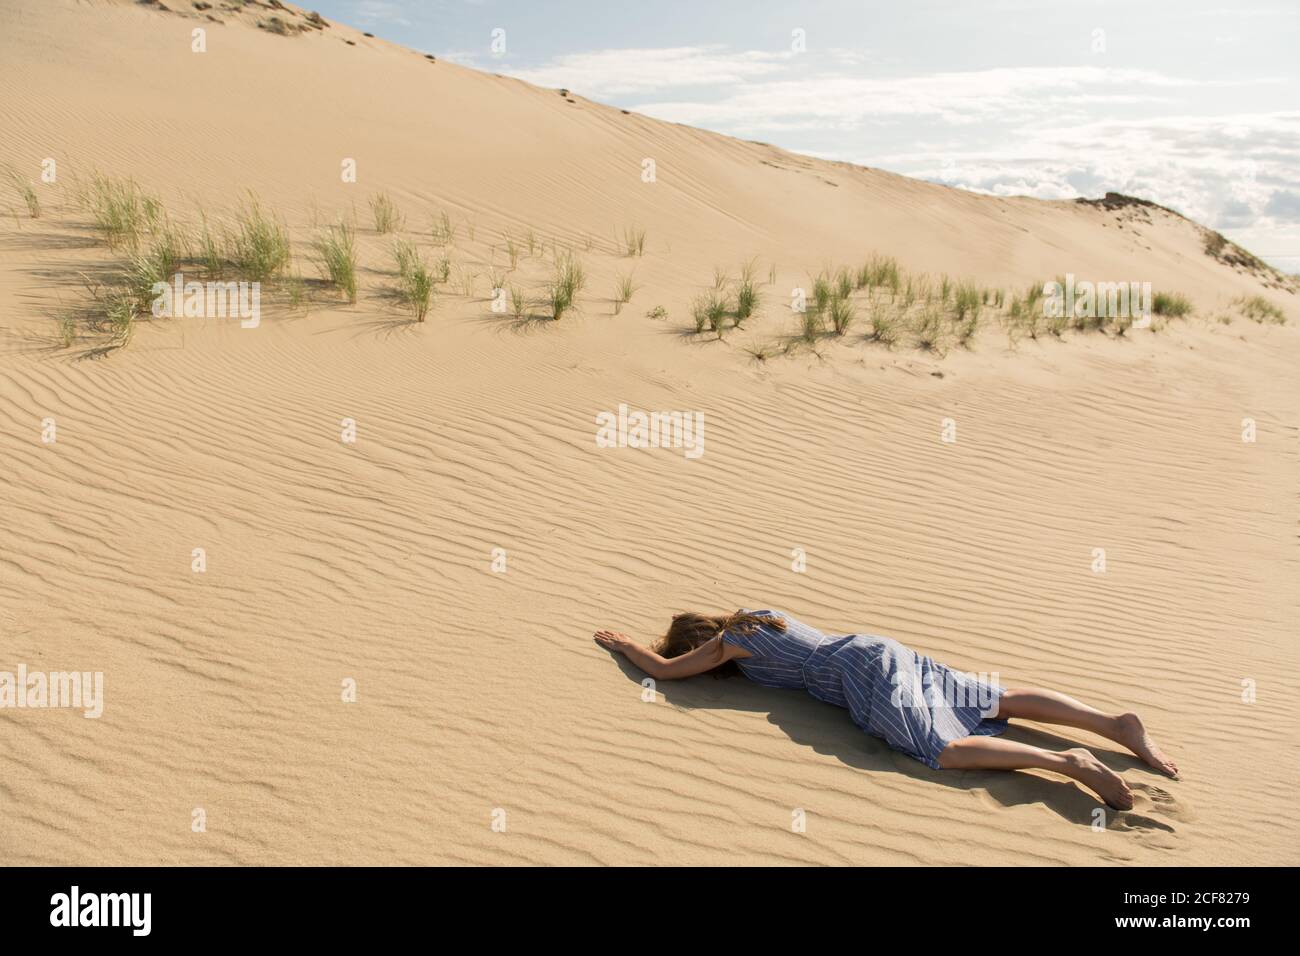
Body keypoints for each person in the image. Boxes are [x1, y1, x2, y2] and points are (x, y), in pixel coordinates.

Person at [594, 609, 1178, 810]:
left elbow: (668, 672)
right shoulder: (760, 614)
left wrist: (627, 646)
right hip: (877, 646)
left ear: (703, 641)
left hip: (860, 673)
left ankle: (1067, 762)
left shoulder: (732, 644)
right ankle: (1112, 725)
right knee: (989, 698)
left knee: (939, 748)